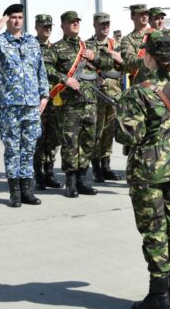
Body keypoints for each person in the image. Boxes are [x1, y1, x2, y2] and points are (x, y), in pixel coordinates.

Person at [116, 31, 170, 309]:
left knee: (154, 230)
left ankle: (159, 296)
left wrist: (122, 113)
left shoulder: (138, 93)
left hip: (149, 169)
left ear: (149, 56)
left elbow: (128, 136)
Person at [0, 4, 50, 208]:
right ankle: (15, 193)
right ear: (7, 20)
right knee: (13, 148)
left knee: (29, 148)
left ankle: (27, 191)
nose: (17, 21)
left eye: (20, 17)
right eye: (13, 17)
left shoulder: (31, 42)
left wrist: (44, 95)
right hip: (10, 105)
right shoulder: (0, 42)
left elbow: (40, 70)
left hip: (31, 104)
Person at [46, 11, 108, 198]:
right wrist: (64, 78)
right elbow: (46, 67)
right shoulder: (57, 48)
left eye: (77, 22)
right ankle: (71, 182)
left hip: (90, 101)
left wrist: (94, 57)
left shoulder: (88, 46)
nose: (75, 24)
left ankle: (83, 179)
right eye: (71, 22)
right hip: (69, 104)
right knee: (70, 142)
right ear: (63, 25)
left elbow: (108, 63)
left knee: (89, 140)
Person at [86, 12, 124, 182]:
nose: (105, 27)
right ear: (94, 25)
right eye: (102, 24)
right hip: (97, 93)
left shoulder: (116, 44)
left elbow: (124, 66)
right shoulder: (87, 45)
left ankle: (106, 165)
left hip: (114, 93)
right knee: (96, 131)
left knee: (109, 130)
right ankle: (96, 168)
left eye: (107, 23)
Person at [32, 14, 63, 191]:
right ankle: (38, 176)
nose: (47, 29)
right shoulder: (31, 46)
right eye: (44, 26)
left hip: (55, 100)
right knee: (38, 138)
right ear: (36, 27)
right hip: (38, 100)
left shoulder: (55, 48)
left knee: (54, 137)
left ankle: (49, 173)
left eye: (49, 26)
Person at [119, 3, 150, 83]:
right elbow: (129, 61)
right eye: (141, 14)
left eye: (146, 14)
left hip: (159, 82)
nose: (145, 16)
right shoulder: (127, 39)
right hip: (140, 84)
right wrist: (150, 60)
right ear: (132, 16)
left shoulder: (155, 33)